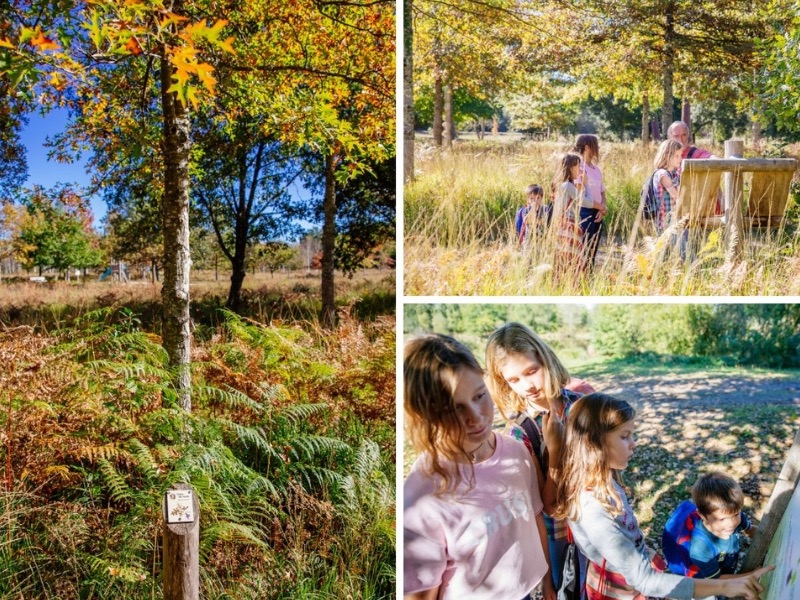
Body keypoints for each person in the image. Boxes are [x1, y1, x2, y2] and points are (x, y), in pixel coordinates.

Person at [554, 392, 773, 600]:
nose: (633, 443)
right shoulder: (592, 510)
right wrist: (726, 585)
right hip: (619, 591)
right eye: (624, 436)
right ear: (595, 444)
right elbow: (645, 581)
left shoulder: (605, 479)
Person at [403, 334, 557, 600]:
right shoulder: (421, 495)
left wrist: (547, 583)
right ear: (423, 413)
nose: (475, 417)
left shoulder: (516, 453)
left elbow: (535, 520)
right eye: (453, 408)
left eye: (479, 395)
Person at [485, 322, 592, 589]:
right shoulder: (521, 432)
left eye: (532, 371)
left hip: (598, 523)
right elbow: (550, 506)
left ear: (545, 360)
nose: (527, 386)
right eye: (514, 380)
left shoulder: (582, 406)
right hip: (561, 537)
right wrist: (554, 453)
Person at [663, 472, 757, 579]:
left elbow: (751, 530)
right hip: (708, 583)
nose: (732, 523)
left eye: (736, 514)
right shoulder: (700, 548)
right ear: (702, 515)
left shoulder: (735, 516)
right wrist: (752, 575)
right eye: (722, 519)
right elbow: (718, 580)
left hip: (729, 570)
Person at [667, 121, 722, 213]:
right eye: (676, 136)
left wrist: (721, 161)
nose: (681, 139)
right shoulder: (666, 157)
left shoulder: (696, 153)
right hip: (674, 210)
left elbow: (711, 157)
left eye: (684, 135)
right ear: (669, 138)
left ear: (688, 136)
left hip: (701, 209)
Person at [572, 135, 607, 270]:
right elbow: (580, 195)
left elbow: (602, 191)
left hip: (598, 212)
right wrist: (601, 207)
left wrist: (602, 209)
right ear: (587, 147)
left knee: (593, 250)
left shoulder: (596, 169)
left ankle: (589, 277)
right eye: (595, 145)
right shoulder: (578, 167)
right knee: (583, 249)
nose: (598, 148)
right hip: (584, 211)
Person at [552, 153, 589, 277]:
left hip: (562, 226)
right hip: (568, 227)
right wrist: (587, 184)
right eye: (578, 166)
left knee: (563, 263)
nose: (580, 169)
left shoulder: (563, 185)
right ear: (571, 168)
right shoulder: (567, 186)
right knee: (572, 263)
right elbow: (587, 203)